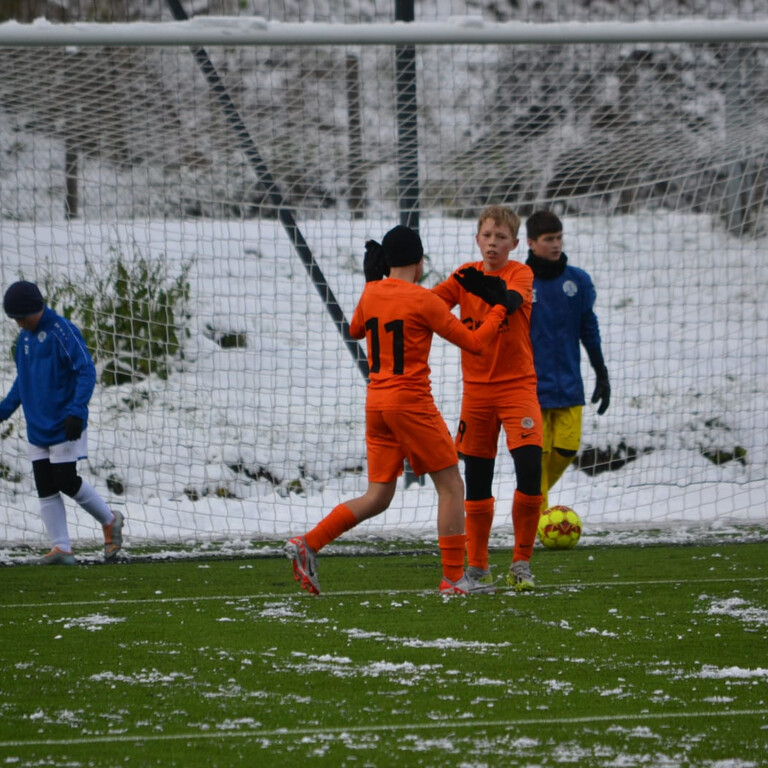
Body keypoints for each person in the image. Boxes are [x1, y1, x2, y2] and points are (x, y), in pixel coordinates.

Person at [285, 225, 509, 596]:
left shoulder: (372, 292)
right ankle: (454, 578)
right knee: (452, 485)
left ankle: (307, 543)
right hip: (411, 403)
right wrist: (500, 308)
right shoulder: (424, 300)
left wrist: (373, 282)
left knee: (378, 496)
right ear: (420, 263)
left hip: (377, 404)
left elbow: (356, 328)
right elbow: (475, 343)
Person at [432, 205, 544, 591]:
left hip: (518, 388)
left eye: (501, 237)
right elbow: (428, 306)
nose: (493, 243)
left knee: (530, 468)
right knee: (477, 480)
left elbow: (511, 301)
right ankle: (478, 568)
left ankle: (521, 563)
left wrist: (490, 293)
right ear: (477, 238)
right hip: (476, 393)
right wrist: (391, 288)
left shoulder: (520, 273)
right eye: (487, 235)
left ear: (514, 243)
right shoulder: (464, 275)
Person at [0, 280, 124, 565]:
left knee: (65, 480)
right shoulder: (24, 339)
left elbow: (86, 371)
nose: (18, 323)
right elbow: (24, 380)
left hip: (64, 421)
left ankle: (110, 520)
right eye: (14, 319)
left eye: (21, 317)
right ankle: (62, 549)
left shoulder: (62, 332)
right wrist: (5, 409)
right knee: (45, 485)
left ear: (35, 309)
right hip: (37, 426)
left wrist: (77, 410)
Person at [525, 210, 610, 511]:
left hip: (570, 387)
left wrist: (601, 371)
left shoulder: (578, 281)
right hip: (531, 390)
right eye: (549, 239)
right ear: (532, 243)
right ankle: (538, 520)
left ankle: (530, 504)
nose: (556, 244)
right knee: (538, 457)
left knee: (566, 449)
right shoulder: (519, 282)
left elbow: (589, 328)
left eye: (559, 238)